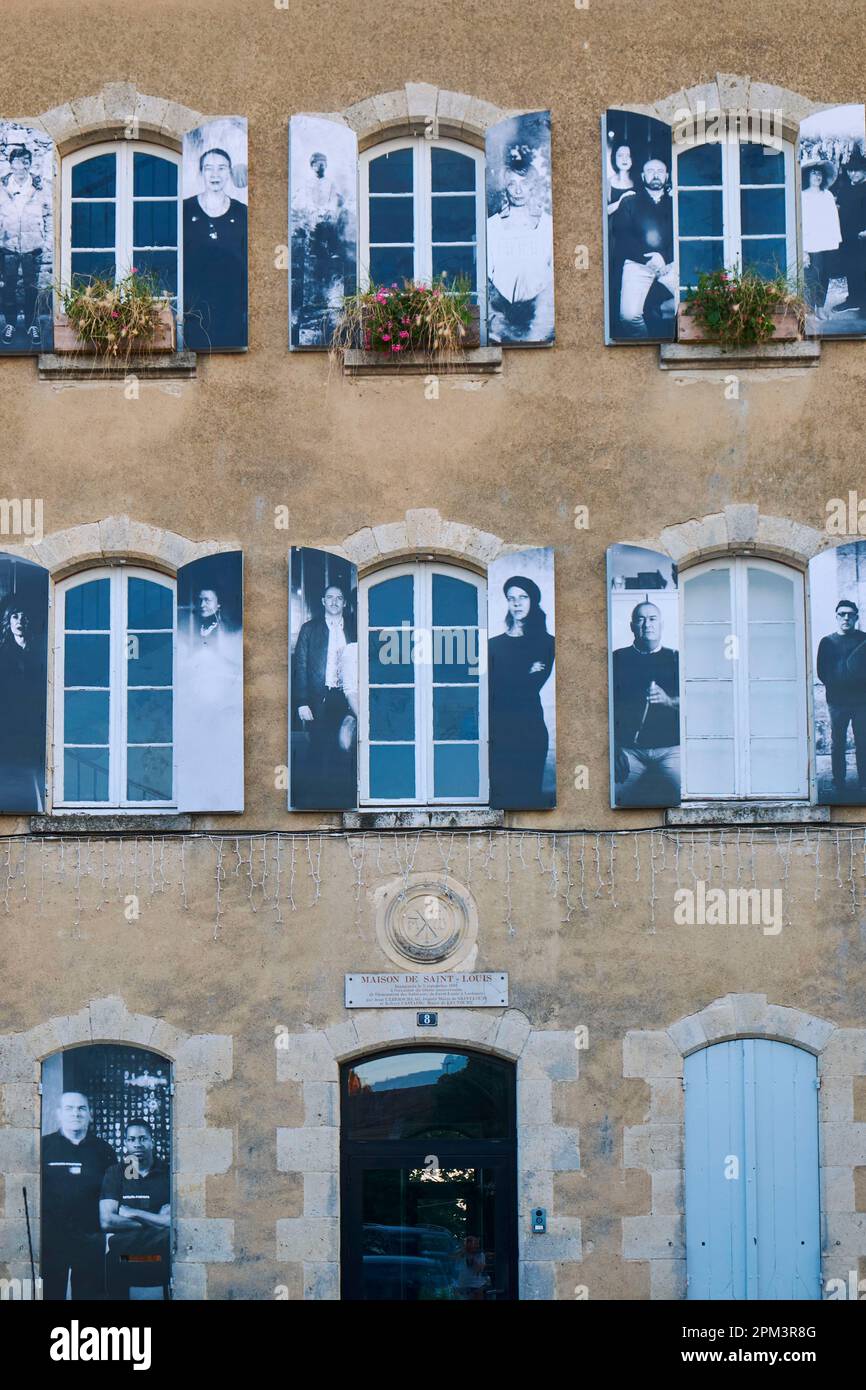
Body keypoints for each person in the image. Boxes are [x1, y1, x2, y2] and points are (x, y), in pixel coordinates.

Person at [42, 1092, 117, 1300]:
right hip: (51, 1239)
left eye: (82, 1108)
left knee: (89, 1296)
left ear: (90, 1114)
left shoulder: (104, 1151)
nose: (76, 1113)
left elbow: (113, 1196)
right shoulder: (43, 1147)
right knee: (50, 1294)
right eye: (69, 1108)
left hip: (90, 1238)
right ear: (58, 1114)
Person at [488, 575, 555, 807]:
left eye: (523, 597)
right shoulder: (493, 645)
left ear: (533, 600)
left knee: (529, 798)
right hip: (500, 731)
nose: (516, 603)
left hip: (530, 731)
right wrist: (524, 672)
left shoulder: (547, 643)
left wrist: (509, 677)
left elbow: (530, 686)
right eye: (511, 598)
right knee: (502, 798)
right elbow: (492, 688)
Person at [293, 582, 358, 806]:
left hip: (346, 696)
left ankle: (341, 798)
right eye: (329, 597)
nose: (334, 601)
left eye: (338, 598)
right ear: (323, 602)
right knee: (319, 746)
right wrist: (301, 702)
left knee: (344, 746)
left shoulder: (353, 628)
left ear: (344, 603)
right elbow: (300, 666)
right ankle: (316, 800)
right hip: (318, 697)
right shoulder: (309, 629)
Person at [612, 601, 680, 806]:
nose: (647, 624)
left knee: (689, 797)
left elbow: (695, 702)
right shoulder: (617, 658)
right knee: (612, 798)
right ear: (632, 626)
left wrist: (669, 701)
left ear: (661, 624)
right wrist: (614, 749)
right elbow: (602, 708)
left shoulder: (676, 658)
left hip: (671, 749)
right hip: (629, 751)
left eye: (652, 619)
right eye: (640, 620)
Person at [486, 142, 554, 343]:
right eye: (512, 184)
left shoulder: (546, 224)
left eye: (523, 183)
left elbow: (550, 270)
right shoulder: (493, 226)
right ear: (505, 188)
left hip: (540, 313)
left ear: (532, 186)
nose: (518, 190)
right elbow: (489, 273)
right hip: (501, 312)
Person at [183, 147, 248, 349]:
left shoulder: (241, 212)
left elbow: (247, 263)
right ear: (201, 172)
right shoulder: (185, 209)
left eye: (221, 168)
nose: (215, 174)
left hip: (232, 311)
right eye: (209, 168)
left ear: (229, 172)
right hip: (194, 310)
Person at [100, 1121, 170, 1300]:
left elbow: (171, 1222)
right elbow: (107, 1221)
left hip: (157, 1258)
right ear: (125, 1143)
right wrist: (155, 1220)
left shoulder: (168, 1173)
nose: (137, 1144)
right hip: (124, 1257)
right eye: (132, 1139)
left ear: (152, 1141)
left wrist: (133, 1212)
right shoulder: (115, 1173)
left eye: (143, 1139)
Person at [611, 156, 677, 337]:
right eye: (650, 171)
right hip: (637, 263)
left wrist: (665, 258)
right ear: (642, 176)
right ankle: (646, 348)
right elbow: (621, 235)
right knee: (629, 316)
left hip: (671, 263)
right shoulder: (630, 202)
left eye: (660, 171)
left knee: (694, 305)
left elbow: (684, 235)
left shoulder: (676, 202)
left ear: (667, 176)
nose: (655, 175)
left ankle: (664, 312)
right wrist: (648, 259)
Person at [0, 145, 50, 348]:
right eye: (17, 163)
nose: (21, 167)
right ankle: (10, 323)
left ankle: (32, 325)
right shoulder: (3, 187)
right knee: (8, 287)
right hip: (7, 246)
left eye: (25, 162)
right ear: (11, 165)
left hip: (33, 246)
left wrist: (45, 241)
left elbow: (47, 214)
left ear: (29, 164)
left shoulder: (39, 187)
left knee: (31, 287)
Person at [816, 599, 866, 797]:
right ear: (836, 617)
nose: (846, 618)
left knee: (863, 741)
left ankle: (864, 782)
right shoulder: (827, 642)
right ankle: (839, 782)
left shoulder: (864, 640)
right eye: (842, 614)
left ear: (856, 617)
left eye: (850, 614)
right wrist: (839, 684)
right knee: (838, 742)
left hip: (862, 701)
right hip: (836, 702)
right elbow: (822, 672)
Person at [0, 597, 44, 809]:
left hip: (36, 721)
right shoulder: (4, 654)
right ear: (8, 622)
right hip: (10, 723)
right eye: (15, 616)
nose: (20, 620)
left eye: (24, 616)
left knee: (35, 770)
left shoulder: (41, 651)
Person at [801, 159, 841, 319]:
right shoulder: (803, 196)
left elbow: (834, 220)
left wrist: (835, 240)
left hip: (827, 242)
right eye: (813, 173)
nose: (817, 176)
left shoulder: (828, 195)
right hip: (811, 243)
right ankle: (809, 310)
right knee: (812, 277)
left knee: (824, 275)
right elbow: (801, 222)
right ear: (807, 176)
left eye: (819, 173)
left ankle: (821, 308)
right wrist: (803, 249)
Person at [831, 148, 866, 312]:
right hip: (847, 236)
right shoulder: (845, 188)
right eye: (850, 170)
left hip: (863, 236)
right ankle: (853, 299)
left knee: (863, 268)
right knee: (851, 267)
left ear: (864, 170)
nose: (853, 174)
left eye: (856, 170)